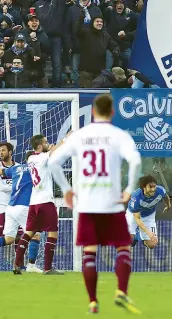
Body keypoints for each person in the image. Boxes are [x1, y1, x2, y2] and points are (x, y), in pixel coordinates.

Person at [48, 93, 142, 314]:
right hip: (112, 203)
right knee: (123, 248)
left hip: (87, 204)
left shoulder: (80, 136)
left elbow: (53, 162)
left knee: (90, 252)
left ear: (92, 112)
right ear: (112, 112)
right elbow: (136, 161)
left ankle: (92, 301)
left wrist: (67, 189)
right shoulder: (119, 135)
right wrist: (129, 190)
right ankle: (121, 291)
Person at [0, 142, 41, 272]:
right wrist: (18, 185)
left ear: (10, 152)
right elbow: (1, 186)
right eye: (0, 150)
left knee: (14, 238)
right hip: (2, 207)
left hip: (12, 206)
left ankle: (19, 265)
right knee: (28, 234)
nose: (1, 153)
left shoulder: (17, 168)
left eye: (3, 150)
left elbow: (10, 181)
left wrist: (16, 184)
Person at [12, 133, 68, 275]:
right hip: (45, 201)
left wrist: (52, 149)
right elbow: (53, 151)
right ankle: (48, 268)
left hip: (34, 202)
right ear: (39, 146)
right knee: (53, 232)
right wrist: (67, 138)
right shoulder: (41, 157)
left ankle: (17, 263)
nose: (47, 143)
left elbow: (51, 153)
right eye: (45, 142)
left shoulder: (31, 158)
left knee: (29, 232)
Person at [126, 175, 170, 249]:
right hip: (134, 216)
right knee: (129, 241)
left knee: (152, 245)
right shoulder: (136, 197)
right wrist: (148, 233)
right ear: (144, 187)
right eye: (150, 187)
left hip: (149, 215)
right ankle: (135, 234)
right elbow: (137, 219)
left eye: (154, 186)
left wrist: (168, 206)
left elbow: (166, 197)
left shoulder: (160, 190)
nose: (153, 189)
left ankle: (138, 235)